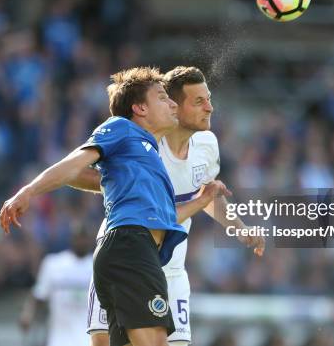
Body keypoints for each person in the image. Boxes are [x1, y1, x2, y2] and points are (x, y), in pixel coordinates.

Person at [0, 66, 226, 346]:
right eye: (162, 98)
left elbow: (167, 215)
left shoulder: (149, 156)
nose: (172, 105)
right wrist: (29, 191)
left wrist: (204, 201)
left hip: (140, 253)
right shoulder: (121, 128)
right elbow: (74, 164)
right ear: (140, 108)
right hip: (130, 248)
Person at [75, 66, 265, 346]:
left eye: (209, 99)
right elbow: (77, 171)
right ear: (175, 106)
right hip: (126, 259)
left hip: (172, 271)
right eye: (198, 101)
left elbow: (206, 193)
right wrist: (125, 185)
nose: (210, 108)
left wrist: (239, 227)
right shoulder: (143, 140)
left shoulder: (207, 144)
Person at [19, 222, 94, 346]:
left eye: (83, 237)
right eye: (78, 237)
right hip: (59, 339)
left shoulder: (97, 266)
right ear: (71, 238)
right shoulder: (53, 264)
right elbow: (39, 295)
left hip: (89, 340)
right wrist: (28, 314)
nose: (81, 241)